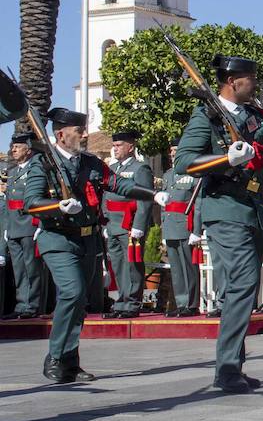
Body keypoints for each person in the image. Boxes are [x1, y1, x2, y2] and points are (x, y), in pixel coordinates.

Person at [174, 55, 263, 392]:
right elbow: (184, 162)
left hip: (254, 209)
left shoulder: (257, 117)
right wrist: (225, 159)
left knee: (243, 289)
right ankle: (227, 368)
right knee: (243, 283)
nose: (255, 82)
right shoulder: (206, 118)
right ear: (232, 81)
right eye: (250, 77)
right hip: (225, 209)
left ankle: (233, 366)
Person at [29, 108, 163, 383]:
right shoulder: (42, 164)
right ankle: (54, 357)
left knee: (82, 301)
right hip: (58, 237)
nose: (86, 135)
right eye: (80, 131)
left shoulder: (90, 163)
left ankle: (69, 361)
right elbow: (32, 202)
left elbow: (119, 185)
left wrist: (153, 194)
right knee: (72, 292)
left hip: (88, 239)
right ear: (61, 134)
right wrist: (58, 206)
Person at [103, 130, 155, 318]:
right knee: (117, 264)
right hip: (113, 224)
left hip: (130, 224)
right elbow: (105, 196)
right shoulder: (112, 168)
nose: (115, 149)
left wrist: (139, 225)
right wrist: (105, 222)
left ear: (130, 147)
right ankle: (122, 301)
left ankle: (132, 302)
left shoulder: (140, 168)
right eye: (114, 145)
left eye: (119, 145)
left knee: (132, 264)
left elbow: (145, 198)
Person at [161, 144, 201, 317]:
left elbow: (198, 205)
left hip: (186, 226)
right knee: (176, 268)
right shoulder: (168, 175)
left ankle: (191, 304)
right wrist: (163, 230)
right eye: (170, 151)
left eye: (176, 151)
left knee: (188, 267)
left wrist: (197, 230)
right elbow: (164, 206)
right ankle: (181, 302)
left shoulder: (194, 175)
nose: (172, 154)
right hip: (170, 225)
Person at [4, 133, 40, 319]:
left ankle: (32, 305)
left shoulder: (36, 170)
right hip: (14, 226)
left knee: (31, 268)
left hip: (28, 225)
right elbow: (9, 202)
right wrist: (6, 227)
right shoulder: (13, 172)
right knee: (19, 269)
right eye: (13, 146)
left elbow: (41, 199)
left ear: (29, 149)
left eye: (18, 147)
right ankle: (21, 304)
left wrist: (40, 224)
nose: (13, 150)